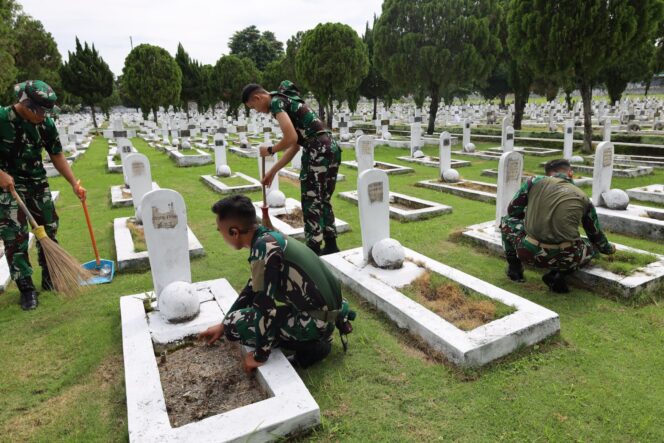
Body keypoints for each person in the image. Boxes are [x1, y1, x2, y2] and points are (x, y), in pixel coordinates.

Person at [199, 195, 355, 372]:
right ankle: (313, 338)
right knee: (228, 322)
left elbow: (265, 309)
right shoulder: (269, 238)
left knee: (234, 326)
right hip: (328, 313)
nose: (221, 236)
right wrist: (222, 323)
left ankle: (313, 346)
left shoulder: (263, 249)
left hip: (316, 322)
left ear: (234, 232)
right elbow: (252, 288)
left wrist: (259, 356)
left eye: (220, 231)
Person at [0, 80, 87, 310]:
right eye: (41, 112)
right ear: (27, 106)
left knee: (48, 229)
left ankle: (51, 276)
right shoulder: (1, 119)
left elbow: (56, 154)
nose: (45, 116)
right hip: (7, 188)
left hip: (37, 183)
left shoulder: (45, 124)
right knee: (15, 237)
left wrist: (72, 183)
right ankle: (27, 288)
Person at [241, 80, 341, 255]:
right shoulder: (289, 100)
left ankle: (313, 249)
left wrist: (270, 150)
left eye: (253, 107)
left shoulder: (276, 103)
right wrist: (272, 171)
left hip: (316, 149)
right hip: (331, 147)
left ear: (257, 97)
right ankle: (331, 245)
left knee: (311, 200)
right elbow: (294, 145)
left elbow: (291, 138)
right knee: (323, 199)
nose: (257, 111)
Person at [500, 159, 615, 293]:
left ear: (549, 174)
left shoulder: (535, 182)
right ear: (570, 173)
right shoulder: (584, 198)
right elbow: (596, 235)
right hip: (566, 259)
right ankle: (557, 276)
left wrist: (531, 218)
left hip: (528, 253)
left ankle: (515, 270)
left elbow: (513, 212)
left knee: (507, 221)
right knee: (591, 246)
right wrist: (609, 249)